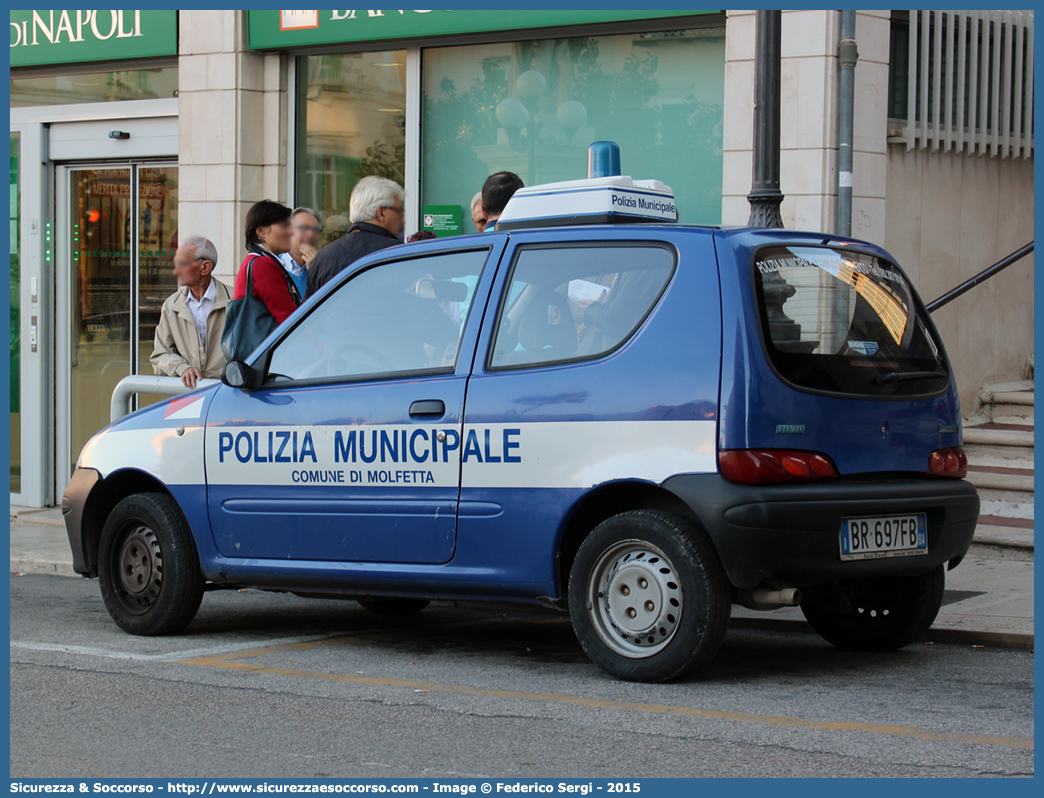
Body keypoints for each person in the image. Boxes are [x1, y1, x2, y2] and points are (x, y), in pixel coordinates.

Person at [151, 235, 232, 388]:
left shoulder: (236, 302)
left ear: (205, 267)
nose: (175, 271)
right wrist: (183, 368)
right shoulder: (171, 306)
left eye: (181, 264)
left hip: (227, 393)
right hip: (188, 395)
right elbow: (160, 354)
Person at [306, 176, 405, 297]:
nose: (403, 220)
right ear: (381, 213)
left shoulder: (322, 258)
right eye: (399, 212)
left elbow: (310, 313)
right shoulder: (399, 254)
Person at [234, 200, 301, 326]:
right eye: (284, 226)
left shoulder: (256, 260)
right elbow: (288, 318)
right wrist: (319, 343)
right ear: (261, 232)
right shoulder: (262, 264)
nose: (291, 232)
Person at [278, 206, 322, 298]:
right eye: (304, 228)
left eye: (315, 230)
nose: (311, 234)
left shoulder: (323, 269)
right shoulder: (274, 265)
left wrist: (314, 272)